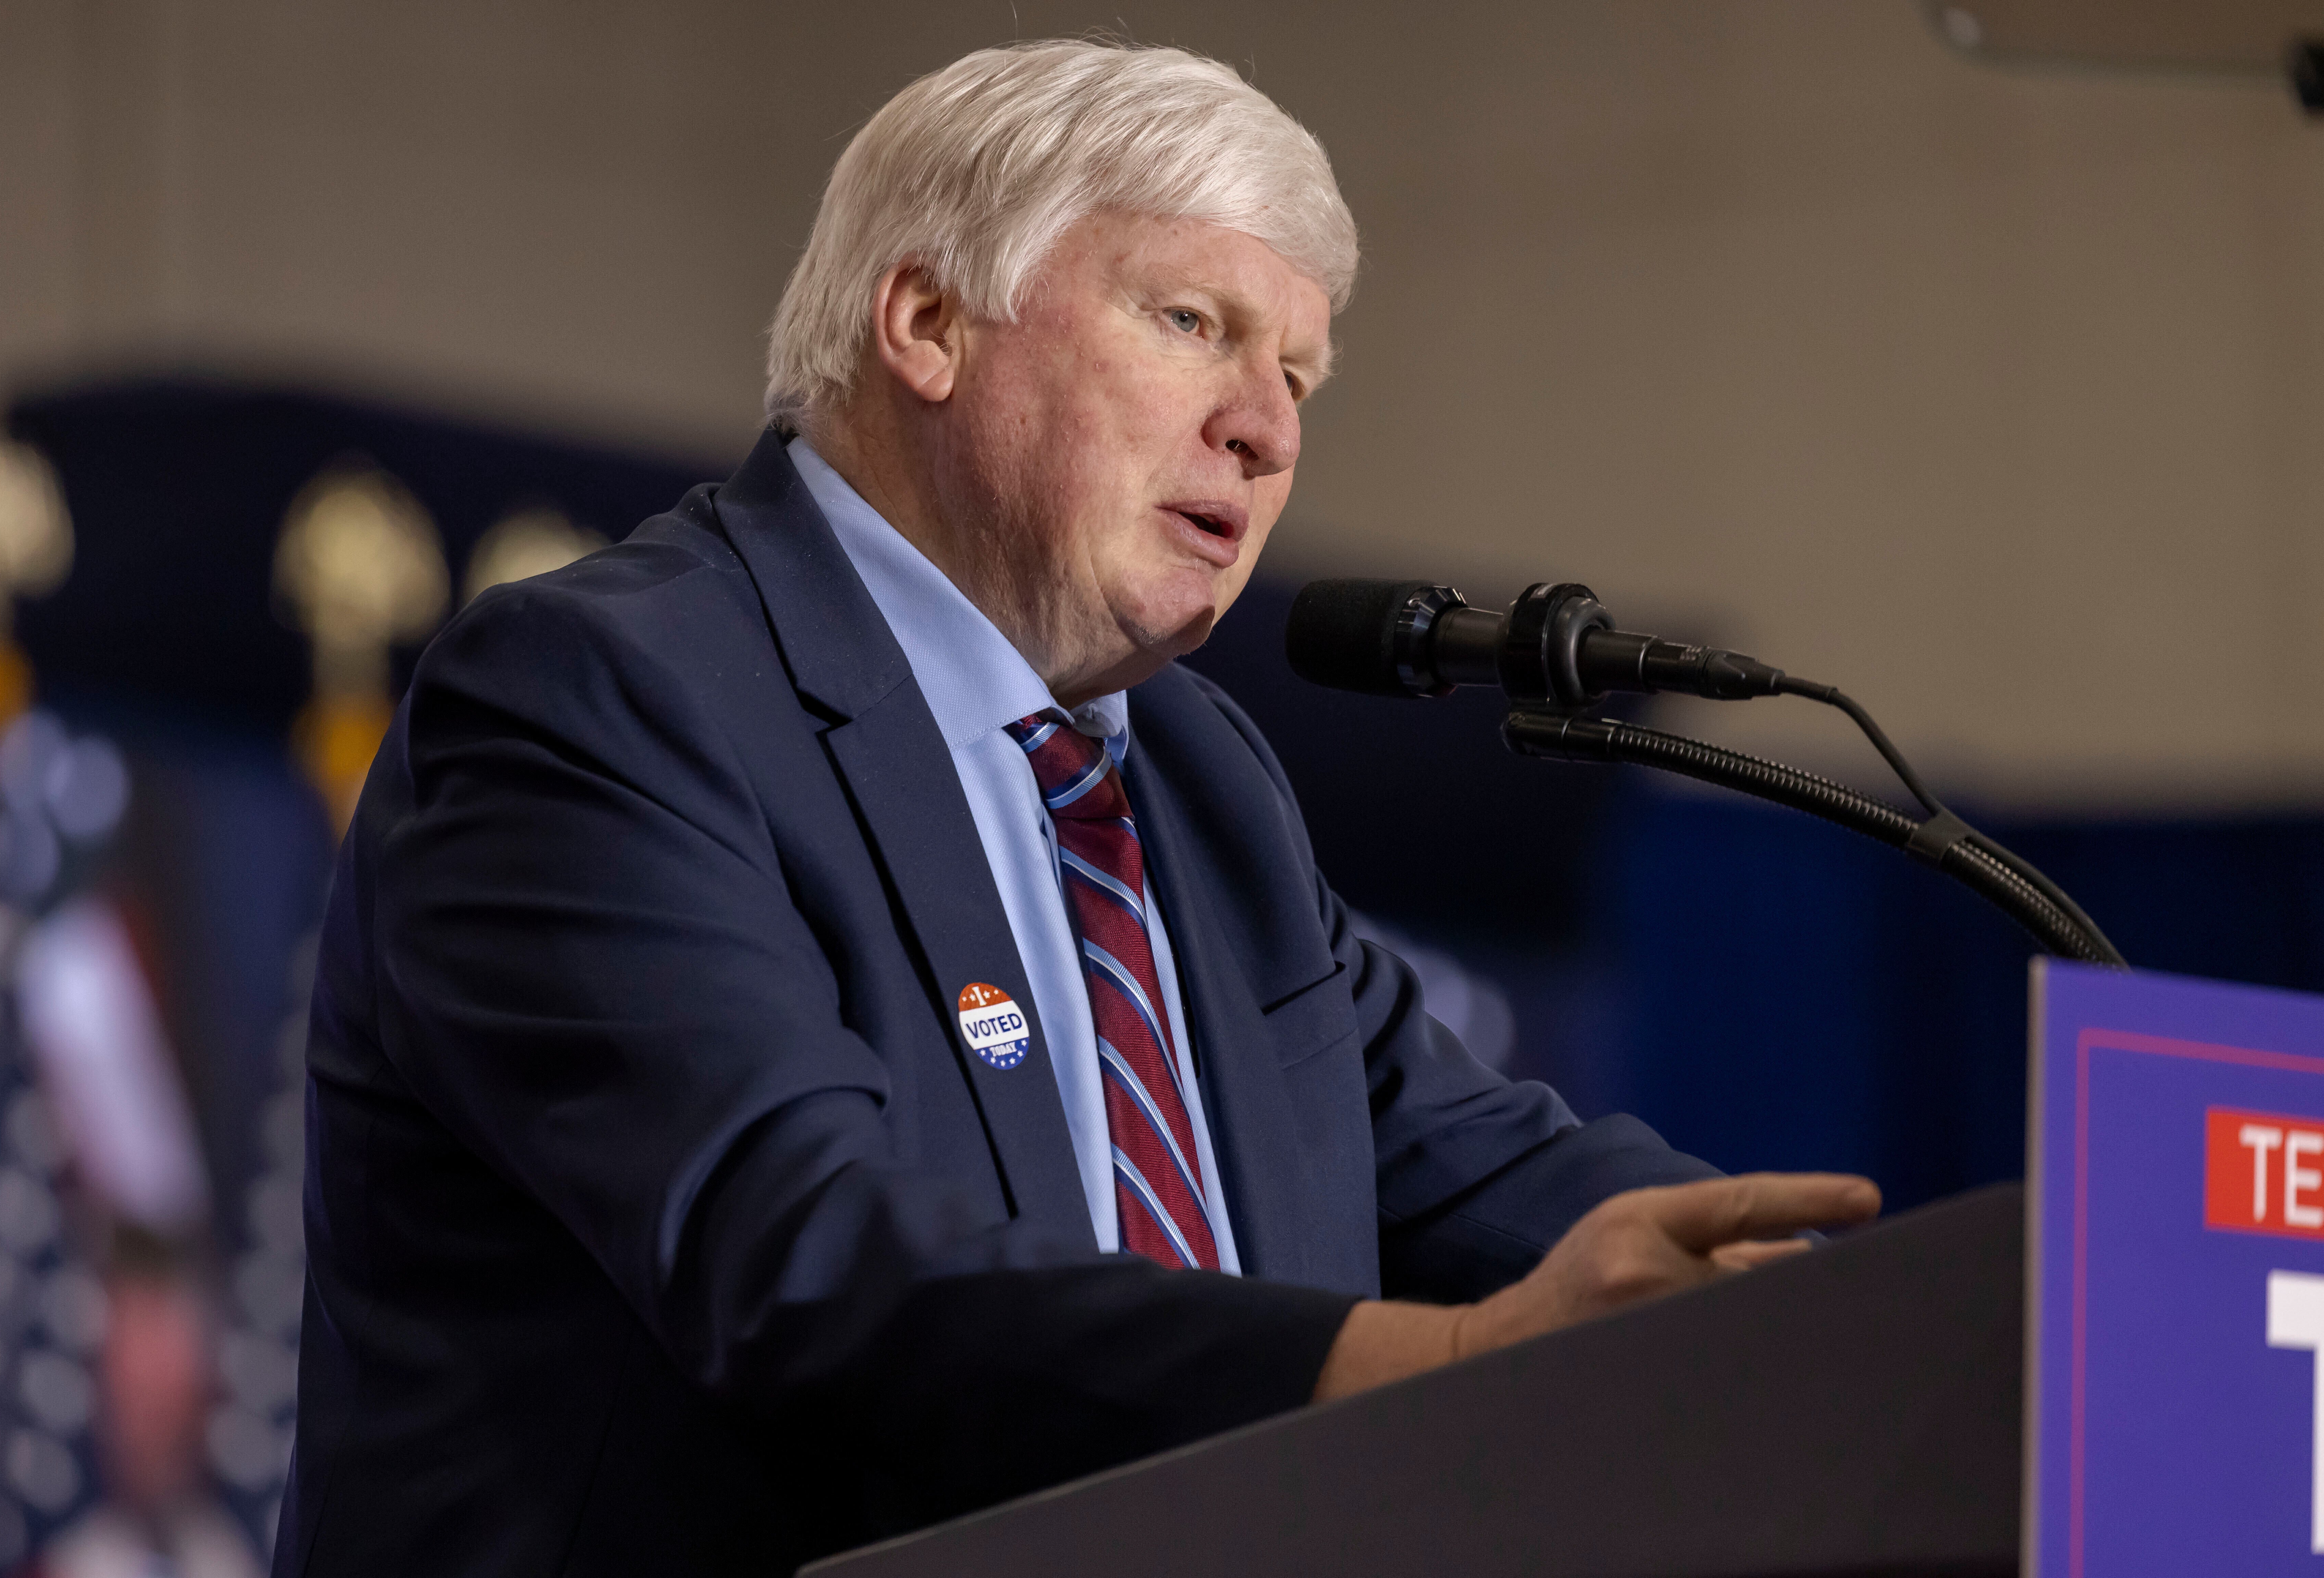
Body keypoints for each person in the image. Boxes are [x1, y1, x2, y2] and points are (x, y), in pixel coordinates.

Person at [276, 40, 1879, 1578]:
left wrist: (1868, 1318)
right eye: (1191, 322)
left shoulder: (1197, 777)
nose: (1270, 429)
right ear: (927, 322)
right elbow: (810, 1265)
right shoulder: (600, 696)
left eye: (1297, 375)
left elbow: (1484, 1167)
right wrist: (1446, 1360)